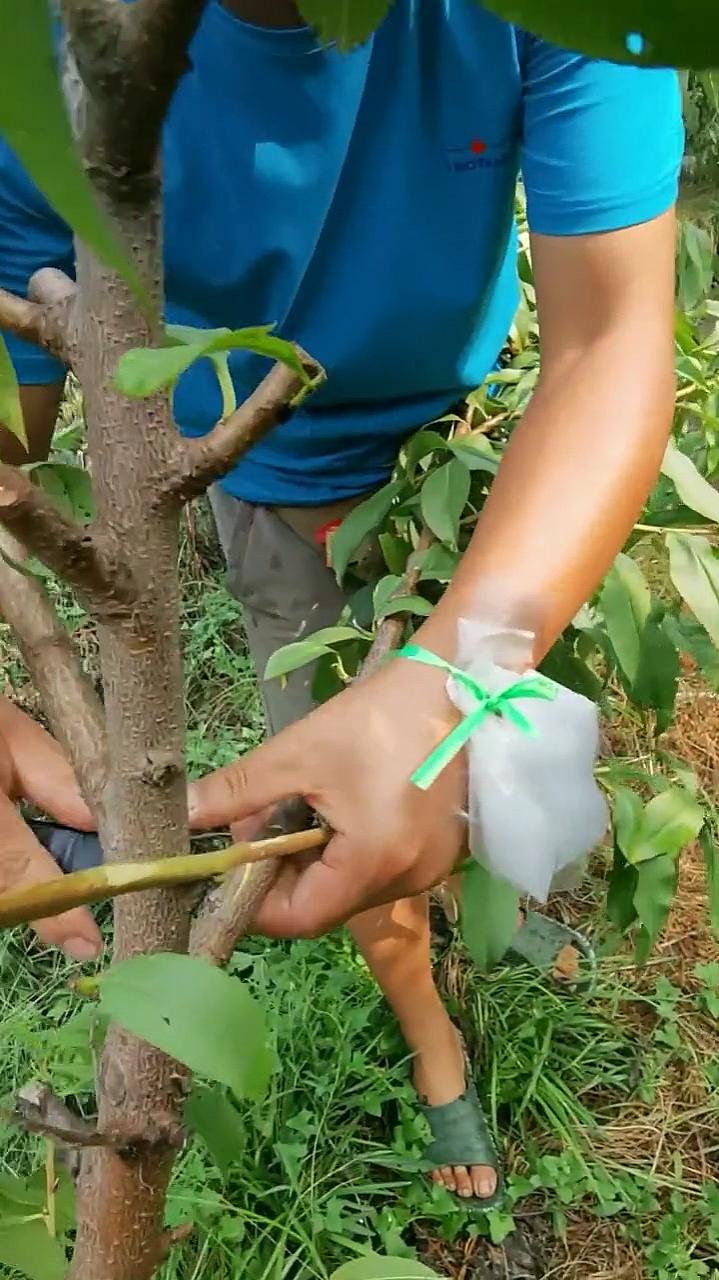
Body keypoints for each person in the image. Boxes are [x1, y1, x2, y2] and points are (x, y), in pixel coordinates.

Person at [0, 0, 683, 1205]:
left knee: (492, 744)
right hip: (281, 491)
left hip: (484, 452)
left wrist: (449, 681)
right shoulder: (32, 50)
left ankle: (497, 892)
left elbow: (607, 337)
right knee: (336, 812)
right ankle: (431, 1041)